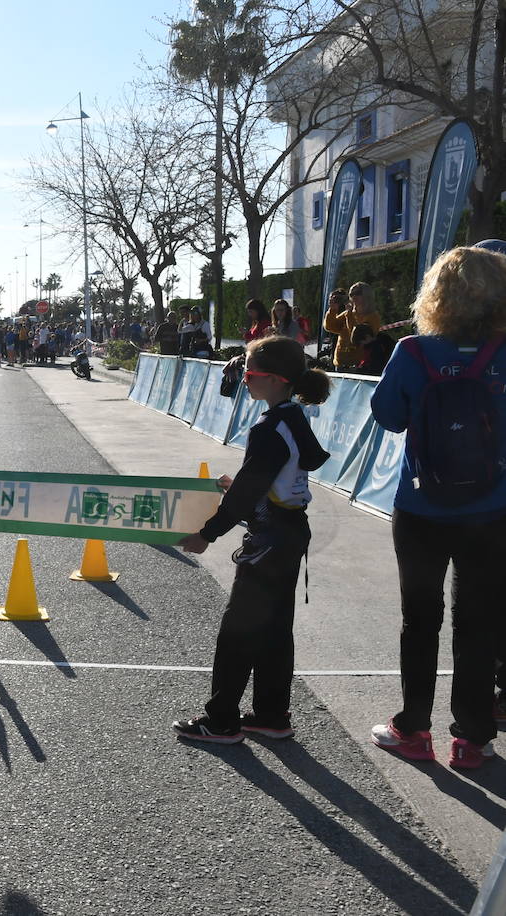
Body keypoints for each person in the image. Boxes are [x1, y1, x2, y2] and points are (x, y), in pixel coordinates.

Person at [367, 246, 506, 769]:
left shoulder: (412, 351)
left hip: (422, 507)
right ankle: (472, 739)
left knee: (419, 619)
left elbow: (388, 417)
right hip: (492, 509)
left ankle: (413, 729)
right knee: (479, 622)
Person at [173, 336, 331, 743]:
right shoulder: (293, 416)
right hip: (291, 532)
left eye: (250, 372)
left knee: (238, 631)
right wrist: (242, 485)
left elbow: (247, 492)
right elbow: (273, 474)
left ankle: (221, 720)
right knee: (276, 627)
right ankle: (271, 715)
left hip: (269, 540)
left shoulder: (269, 427)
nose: (243, 378)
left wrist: (207, 534)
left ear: (277, 380)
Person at [323, 282, 381, 370]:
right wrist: (332, 309)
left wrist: (349, 315)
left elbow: (357, 337)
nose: (354, 297)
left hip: (359, 365)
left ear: (367, 295)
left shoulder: (373, 316)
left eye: (357, 293)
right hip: (340, 363)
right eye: (351, 294)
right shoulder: (348, 313)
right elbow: (330, 327)